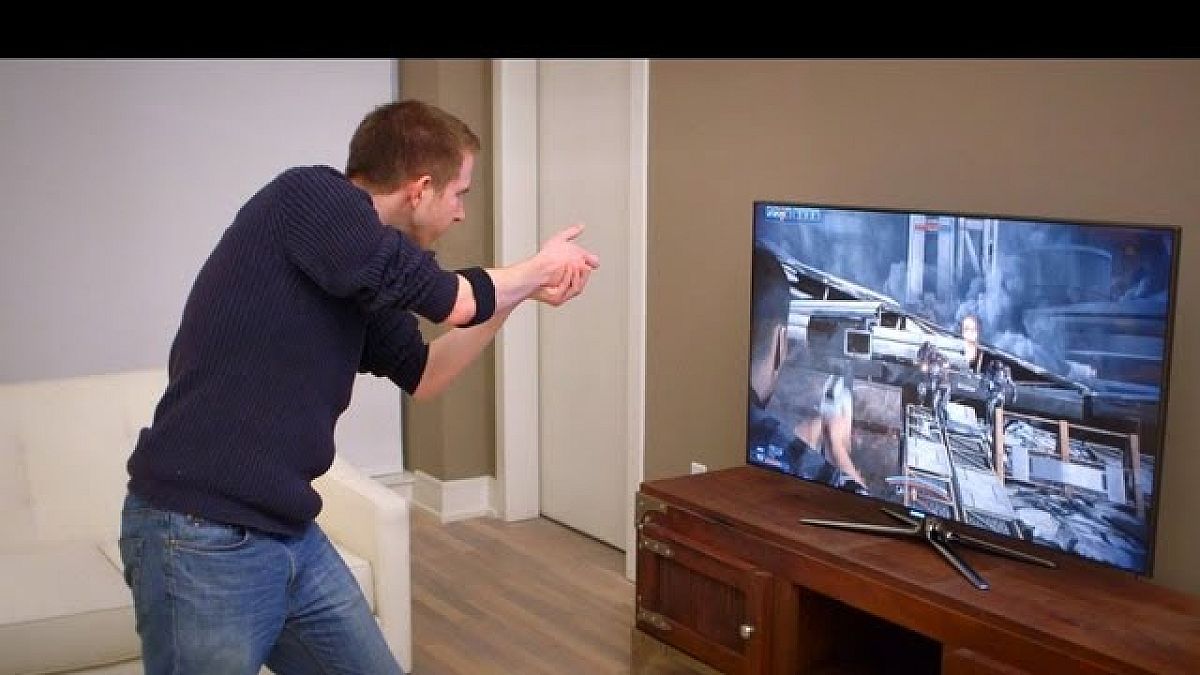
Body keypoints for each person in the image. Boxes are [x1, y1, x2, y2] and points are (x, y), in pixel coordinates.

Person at [118, 99, 600, 675]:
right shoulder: (309, 198)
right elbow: (452, 301)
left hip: (287, 532)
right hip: (199, 532)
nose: (460, 213)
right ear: (421, 189)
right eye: (460, 194)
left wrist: (514, 298)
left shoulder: (358, 270)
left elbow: (424, 373)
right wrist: (538, 268)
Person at [747, 246, 865, 493]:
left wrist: (796, 439)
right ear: (780, 344)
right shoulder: (766, 438)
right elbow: (864, 506)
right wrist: (837, 447)